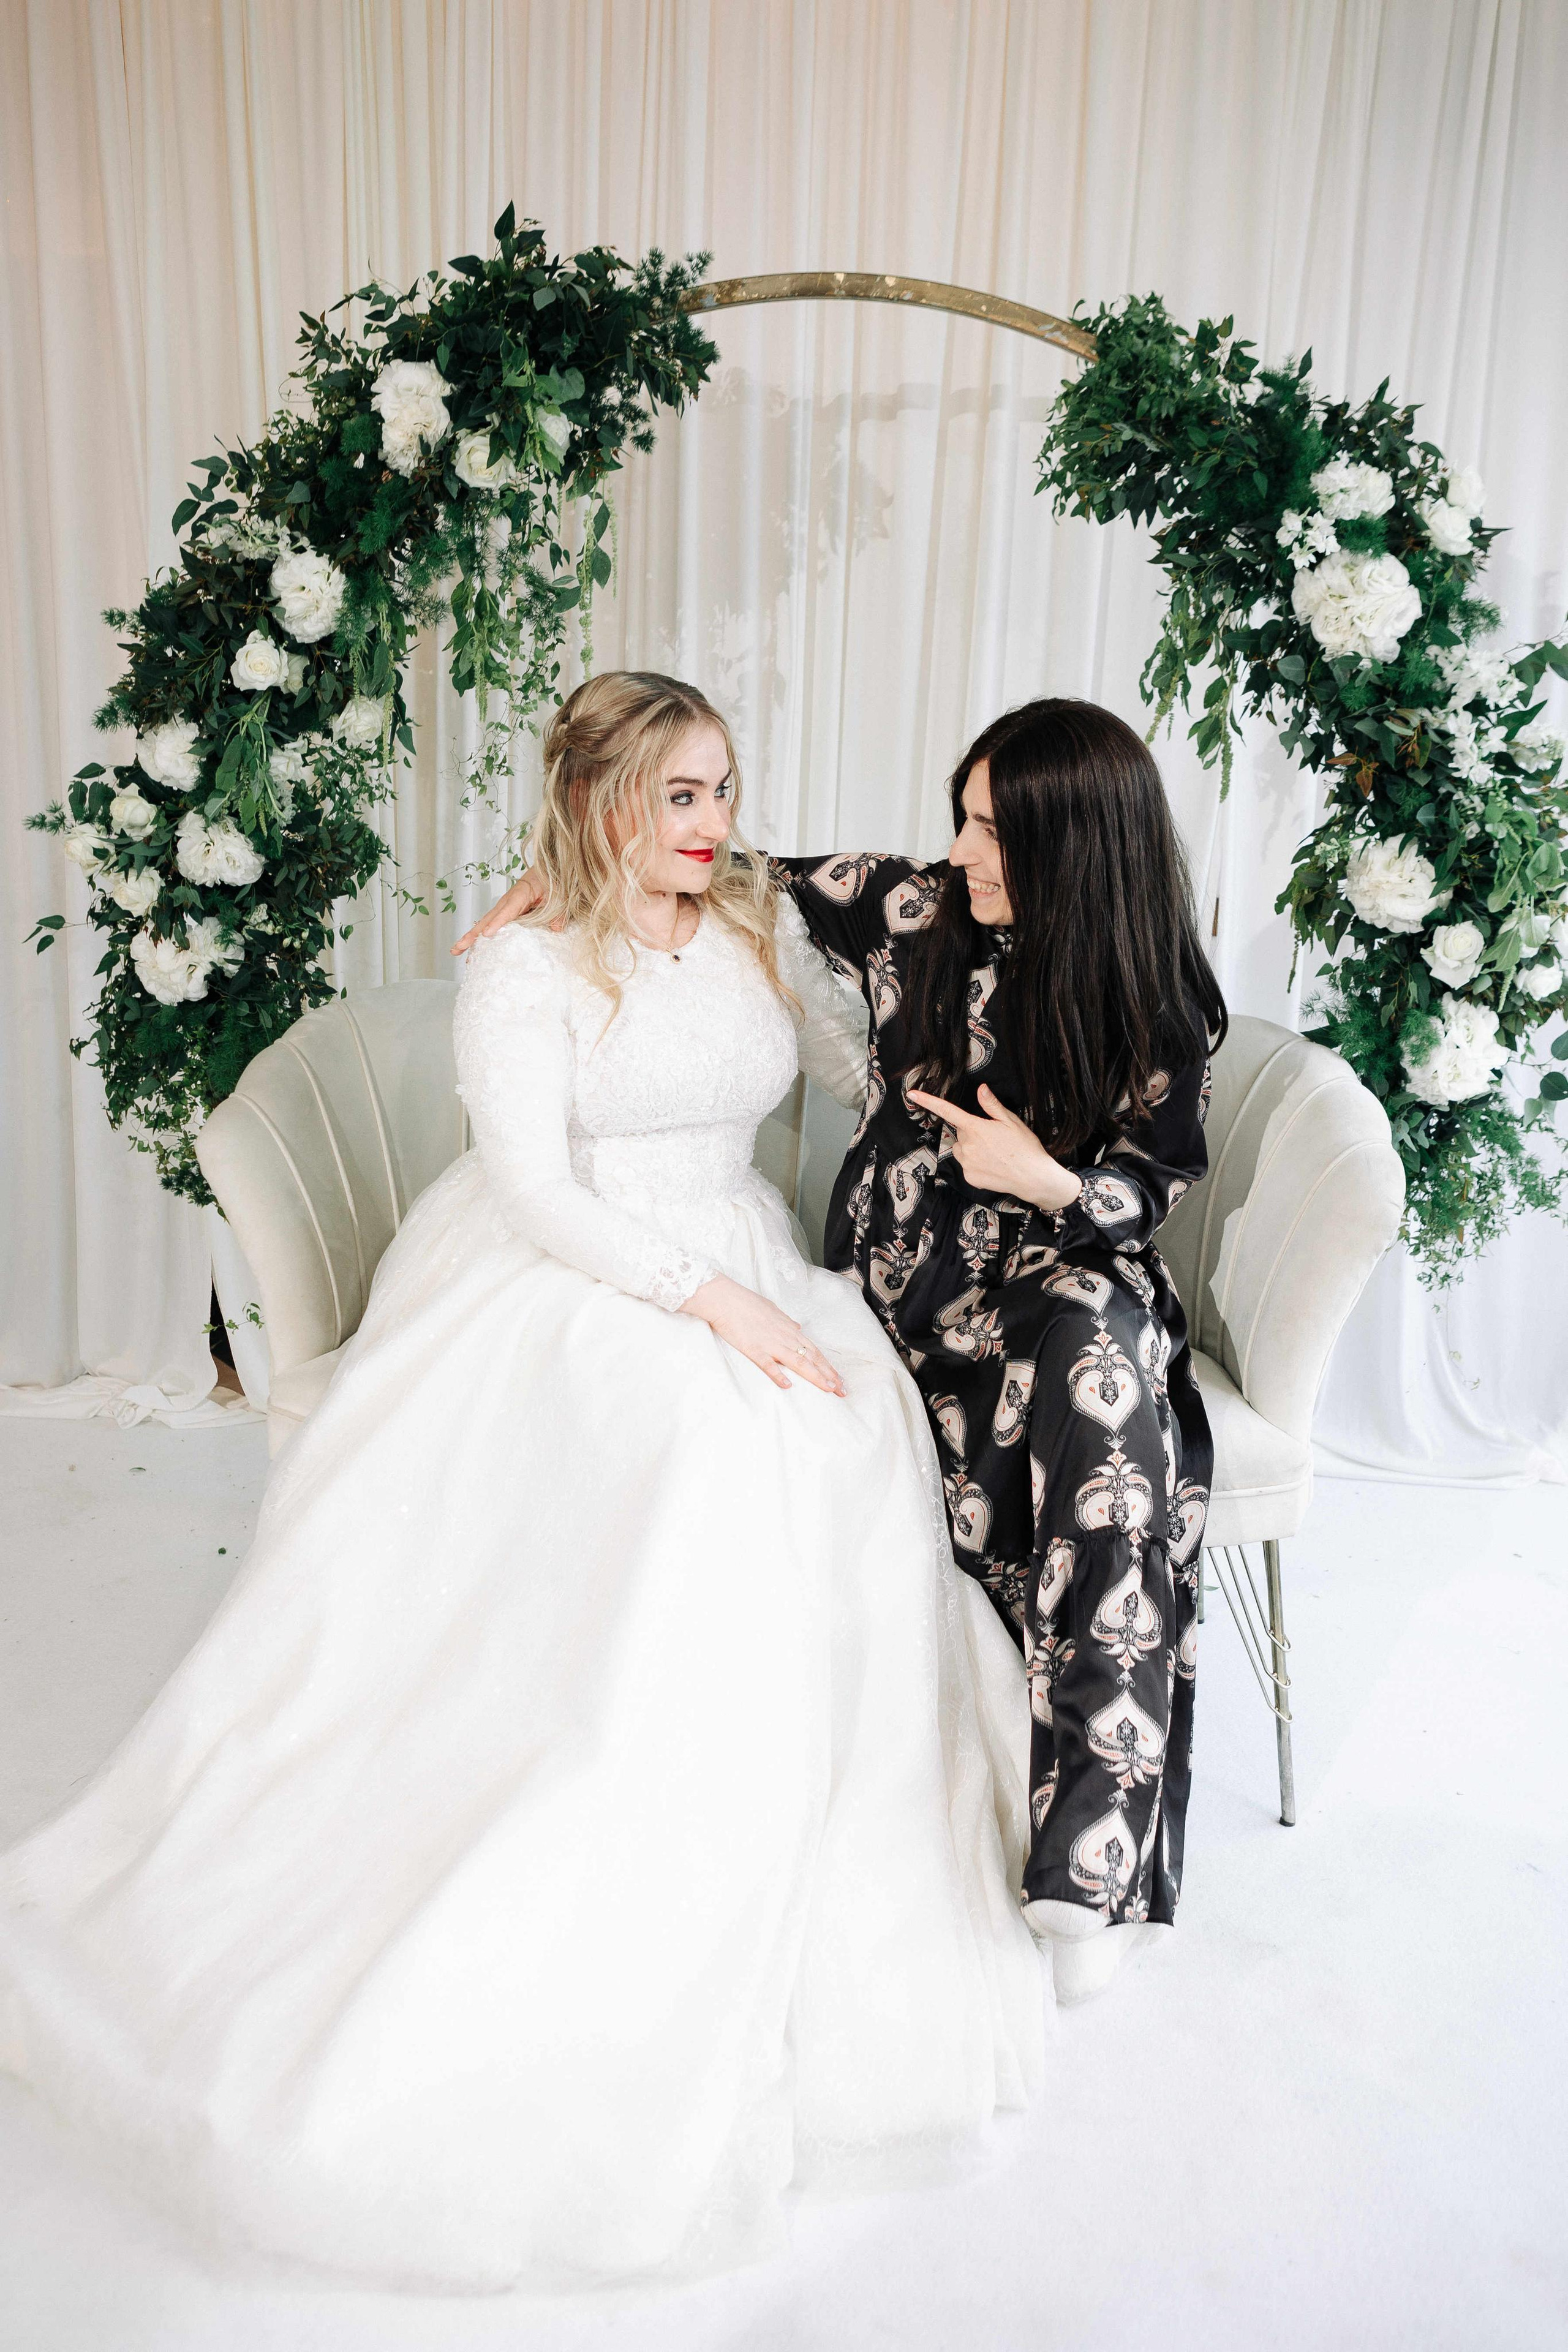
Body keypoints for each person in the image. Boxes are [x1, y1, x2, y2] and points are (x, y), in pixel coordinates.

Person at [0, 673, 1044, 2294]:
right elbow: (539, 1189)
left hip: (734, 1242)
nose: (710, 825)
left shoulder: (754, 918)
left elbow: (855, 1067)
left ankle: (806, 1821)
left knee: (846, 1428)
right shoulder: (527, 963)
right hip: (579, 1276)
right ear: (604, 794)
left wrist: (996, 1133)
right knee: (706, 1444)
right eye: (679, 796)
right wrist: (714, 1304)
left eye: (720, 791)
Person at [464, 696, 1226, 2002]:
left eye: (988, 832)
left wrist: (1044, 1179)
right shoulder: (911, 905)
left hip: (1056, 1271)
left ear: (1069, 846)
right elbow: (721, 857)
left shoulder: (1155, 997)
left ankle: (1089, 1865)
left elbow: (1145, 1191)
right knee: (945, 1452)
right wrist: (566, 859)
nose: (957, 850)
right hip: (911, 1281)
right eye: (961, 818)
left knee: (1111, 1409)